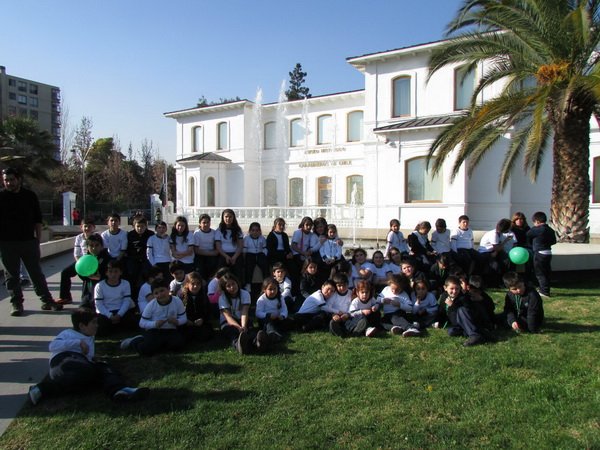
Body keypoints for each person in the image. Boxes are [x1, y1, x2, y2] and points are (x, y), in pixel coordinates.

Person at [28, 308, 149, 406]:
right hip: (63, 361)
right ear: (81, 325)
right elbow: (52, 346)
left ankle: (119, 390)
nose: (97, 325)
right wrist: (77, 343)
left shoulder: (90, 337)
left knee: (105, 368)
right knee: (86, 370)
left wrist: (93, 360)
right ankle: (41, 389)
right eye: (93, 323)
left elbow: (88, 356)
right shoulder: (68, 333)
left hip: (82, 365)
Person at [0, 167, 62, 316]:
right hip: (7, 243)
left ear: (19, 179)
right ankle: (17, 304)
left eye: (11, 180)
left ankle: (47, 301)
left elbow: (37, 219)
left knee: (36, 274)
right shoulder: (1, 197)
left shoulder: (29, 196)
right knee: (12, 276)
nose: (9, 183)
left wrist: (37, 241)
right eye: (6, 180)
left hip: (28, 242)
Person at [120, 278, 187, 356]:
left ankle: (160, 344)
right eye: (156, 293)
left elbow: (184, 318)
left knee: (178, 345)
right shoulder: (151, 305)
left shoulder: (177, 301)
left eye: (162, 290)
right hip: (155, 330)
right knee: (146, 350)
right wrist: (155, 324)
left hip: (171, 330)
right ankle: (134, 341)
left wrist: (177, 321)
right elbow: (142, 323)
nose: (160, 295)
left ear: (168, 289)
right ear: (153, 295)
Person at [217, 273, 266, 354]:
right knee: (233, 333)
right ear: (224, 288)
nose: (232, 287)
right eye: (228, 286)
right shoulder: (222, 298)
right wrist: (238, 327)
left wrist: (243, 326)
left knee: (250, 330)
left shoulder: (245, 294)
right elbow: (228, 317)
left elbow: (244, 311)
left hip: (242, 319)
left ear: (237, 282)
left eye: (233, 284)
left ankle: (258, 343)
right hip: (228, 323)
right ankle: (238, 345)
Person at [437, 276, 487, 347]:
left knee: (461, 309)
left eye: (457, 289)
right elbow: (442, 311)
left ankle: (474, 335)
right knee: (451, 331)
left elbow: (467, 314)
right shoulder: (444, 297)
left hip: (468, 322)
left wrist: (453, 306)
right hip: (458, 325)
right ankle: (477, 333)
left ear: (460, 288)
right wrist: (438, 321)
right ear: (445, 288)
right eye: (452, 288)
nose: (454, 291)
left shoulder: (463, 298)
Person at [57, 218, 96, 305]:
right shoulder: (79, 237)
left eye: (89, 226)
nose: (87, 228)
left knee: (87, 278)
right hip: (81, 262)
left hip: (92, 263)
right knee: (65, 272)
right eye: (85, 226)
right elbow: (76, 254)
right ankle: (65, 297)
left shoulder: (97, 237)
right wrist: (80, 265)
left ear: (94, 227)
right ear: (81, 227)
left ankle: (87, 300)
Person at [93, 260, 137, 336]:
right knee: (101, 327)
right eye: (110, 272)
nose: (113, 274)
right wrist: (110, 316)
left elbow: (126, 301)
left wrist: (119, 314)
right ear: (106, 273)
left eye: (116, 271)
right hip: (106, 312)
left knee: (131, 322)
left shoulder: (125, 283)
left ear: (121, 272)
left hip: (121, 310)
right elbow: (99, 305)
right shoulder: (99, 286)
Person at [526, 211, 557, 297]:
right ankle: (545, 288)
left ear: (537, 221)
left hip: (539, 253)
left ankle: (544, 291)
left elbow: (528, 234)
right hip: (548, 252)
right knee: (546, 272)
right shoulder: (550, 230)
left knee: (540, 273)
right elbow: (554, 241)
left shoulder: (536, 229)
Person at [477, 218, 516, 285]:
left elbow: (498, 249)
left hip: (493, 251)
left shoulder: (499, 234)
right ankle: (493, 283)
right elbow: (497, 248)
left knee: (506, 260)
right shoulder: (494, 234)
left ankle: (506, 281)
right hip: (485, 252)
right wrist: (506, 240)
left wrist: (497, 252)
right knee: (495, 265)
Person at [178, 272, 214, 342]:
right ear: (187, 284)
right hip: (187, 323)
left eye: (198, 284)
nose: (195, 286)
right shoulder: (181, 296)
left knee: (205, 334)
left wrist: (202, 319)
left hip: (200, 323)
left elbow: (209, 311)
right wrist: (185, 320)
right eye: (193, 284)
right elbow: (178, 313)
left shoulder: (204, 295)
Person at [126, 215, 155, 299]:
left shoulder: (150, 234)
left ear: (146, 226)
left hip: (146, 261)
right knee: (133, 281)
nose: (140, 228)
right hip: (133, 261)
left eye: (142, 226)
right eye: (138, 226)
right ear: (134, 226)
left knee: (146, 280)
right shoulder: (130, 235)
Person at [255, 277, 290, 345]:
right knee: (269, 324)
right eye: (270, 289)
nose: (273, 291)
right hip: (266, 319)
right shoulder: (261, 299)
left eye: (274, 289)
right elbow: (258, 313)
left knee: (288, 322)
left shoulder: (280, 297)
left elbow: (284, 309)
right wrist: (268, 315)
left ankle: (276, 332)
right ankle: (273, 335)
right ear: (264, 290)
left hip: (278, 318)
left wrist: (282, 315)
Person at [215, 209, 244, 281]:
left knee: (237, 271)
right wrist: (226, 256)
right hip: (223, 255)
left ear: (233, 218)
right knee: (221, 272)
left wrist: (234, 257)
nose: (228, 219)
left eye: (230, 217)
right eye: (226, 217)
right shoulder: (219, 230)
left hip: (236, 254)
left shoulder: (238, 230)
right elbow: (218, 246)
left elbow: (240, 246)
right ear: (223, 217)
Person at [242, 222, 268, 292]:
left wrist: (265, 255)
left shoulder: (262, 238)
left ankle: (266, 283)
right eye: (253, 230)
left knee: (265, 266)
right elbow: (244, 250)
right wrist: (244, 259)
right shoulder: (246, 238)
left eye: (257, 230)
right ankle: (248, 284)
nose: (255, 232)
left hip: (260, 254)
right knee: (249, 267)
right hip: (250, 254)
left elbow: (264, 248)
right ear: (250, 231)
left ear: (260, 231)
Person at [193, 214, 219, 280]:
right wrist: (211, 253)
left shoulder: (214, 232)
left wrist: (213, 253)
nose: (206, 224)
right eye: (204, 222)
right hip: (200, 256)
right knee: (200, 272)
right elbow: (196, 250)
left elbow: (217, 248)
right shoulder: (197, 233)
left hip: (212, 257)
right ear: (200, 223)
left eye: (208, 222)